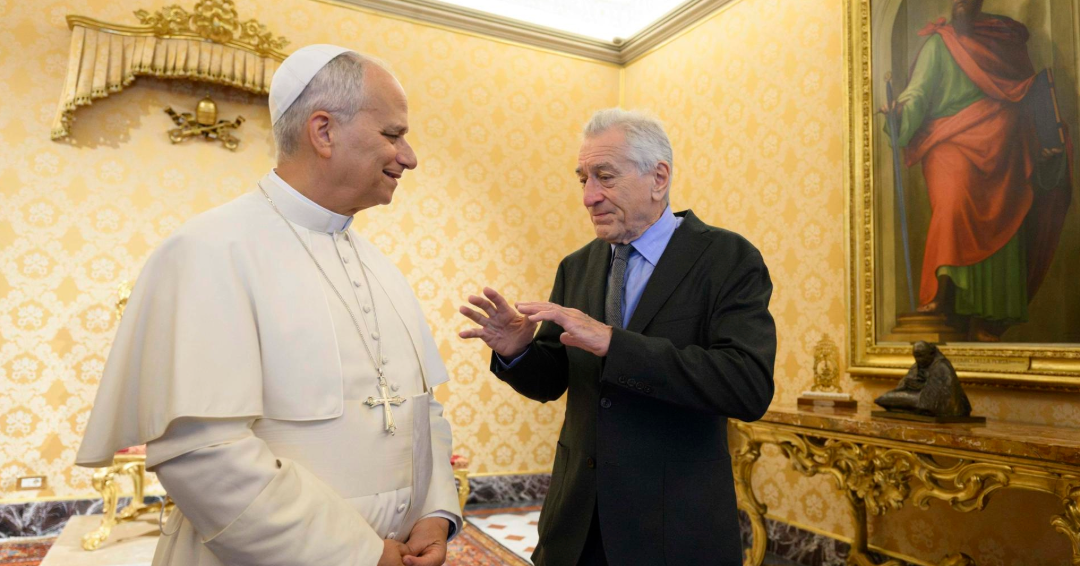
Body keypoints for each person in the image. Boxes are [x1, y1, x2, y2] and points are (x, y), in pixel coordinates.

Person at [76, 45, 461, 566]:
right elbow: (204, 456)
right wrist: (360, 556)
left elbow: (423, 413)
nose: (409, 157)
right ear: (323, 131)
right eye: (392, 135)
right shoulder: (208, 251)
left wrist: (435, 516)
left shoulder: (380, 267)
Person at [458, 109, 776, 565]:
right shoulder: (577, 266)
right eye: (583, 179)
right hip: (574, 527)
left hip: (674, 529)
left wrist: (614, 342)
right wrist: (518, 352)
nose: (589, 197)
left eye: (604, 177)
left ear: (659, 178)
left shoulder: (727, 258)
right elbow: (552, 380)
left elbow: (747, 386)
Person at [884, 0, 1071, 340]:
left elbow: (1025, 93)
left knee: (1004, 215)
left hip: (1003, 147)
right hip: (949, 141)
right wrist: (900, 115)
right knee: (952, 204)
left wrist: (1043, 133)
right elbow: (918, 93)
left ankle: (989, 319)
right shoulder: (939, 44)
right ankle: (942, 297)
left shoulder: (1004, 39)